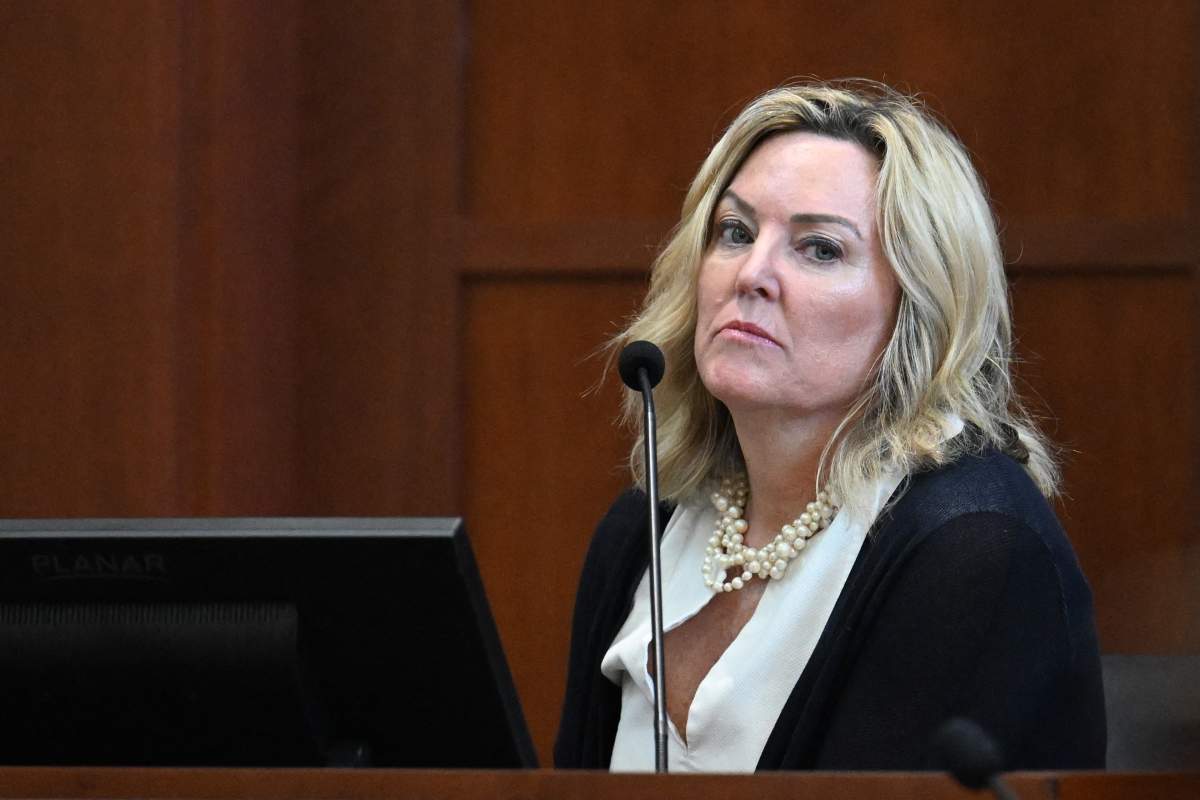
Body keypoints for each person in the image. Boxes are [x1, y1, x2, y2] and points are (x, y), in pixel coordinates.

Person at [554, 81, 1106, 772]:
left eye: (819, 249)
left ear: (918, 306)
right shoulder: (646, 526)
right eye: (735, 232)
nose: (752, 274)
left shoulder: (975, 547)